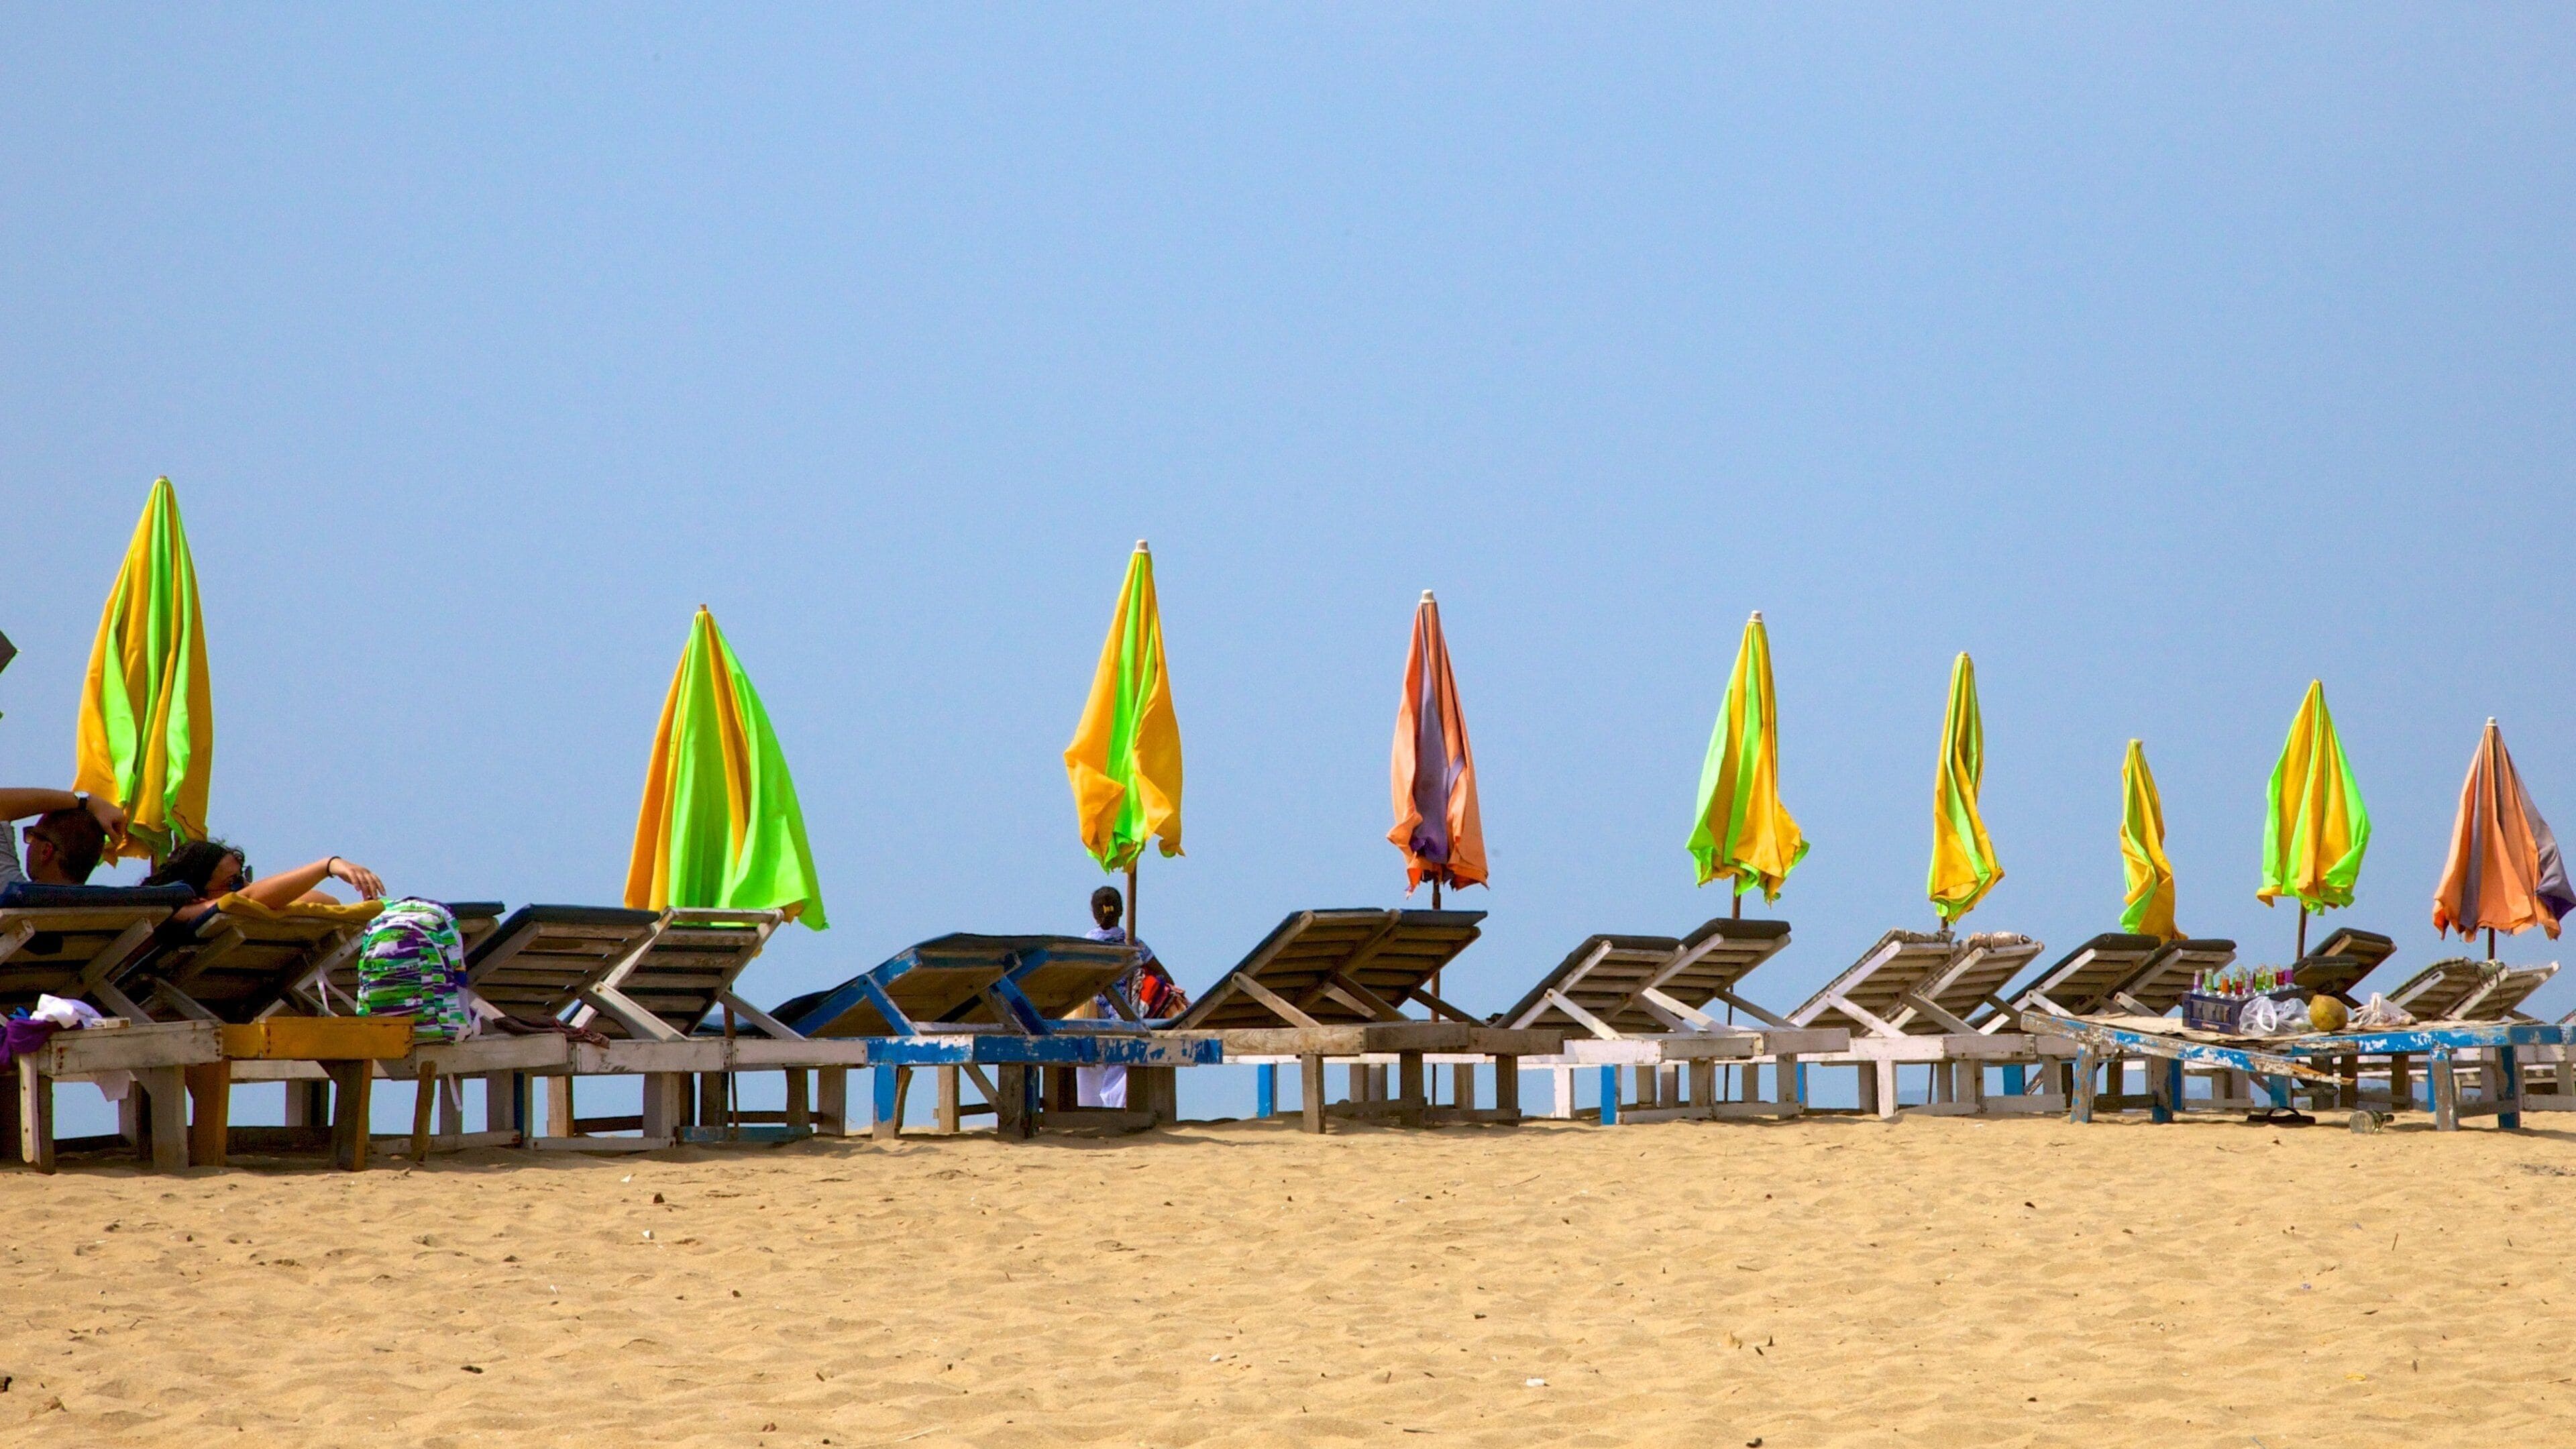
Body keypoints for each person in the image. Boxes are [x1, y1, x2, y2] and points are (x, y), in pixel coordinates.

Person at [1075, 885, 1187, 1109]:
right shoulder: (1134, 943)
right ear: (1121, 912)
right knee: (1122, 1066)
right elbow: (1165, 975)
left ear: (1094, 914)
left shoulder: (1086, 944)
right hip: (1131, 1015)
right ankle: (1119, 1104)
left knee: (1088, 1069)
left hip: (1096, 1018)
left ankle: (1090, 1107)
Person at [140, 838, 386, 926]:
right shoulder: (176, 914)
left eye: (245, 878)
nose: (244, 887)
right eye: (233, 882)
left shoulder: (212, 910)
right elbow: (245, 900)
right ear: (198, 894)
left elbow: (327, 902)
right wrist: (327, 866)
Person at [0, 787, 127, 888]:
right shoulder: (109, 911)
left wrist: (89, 801)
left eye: (32, 837)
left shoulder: (13, 893)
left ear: (46, 851)